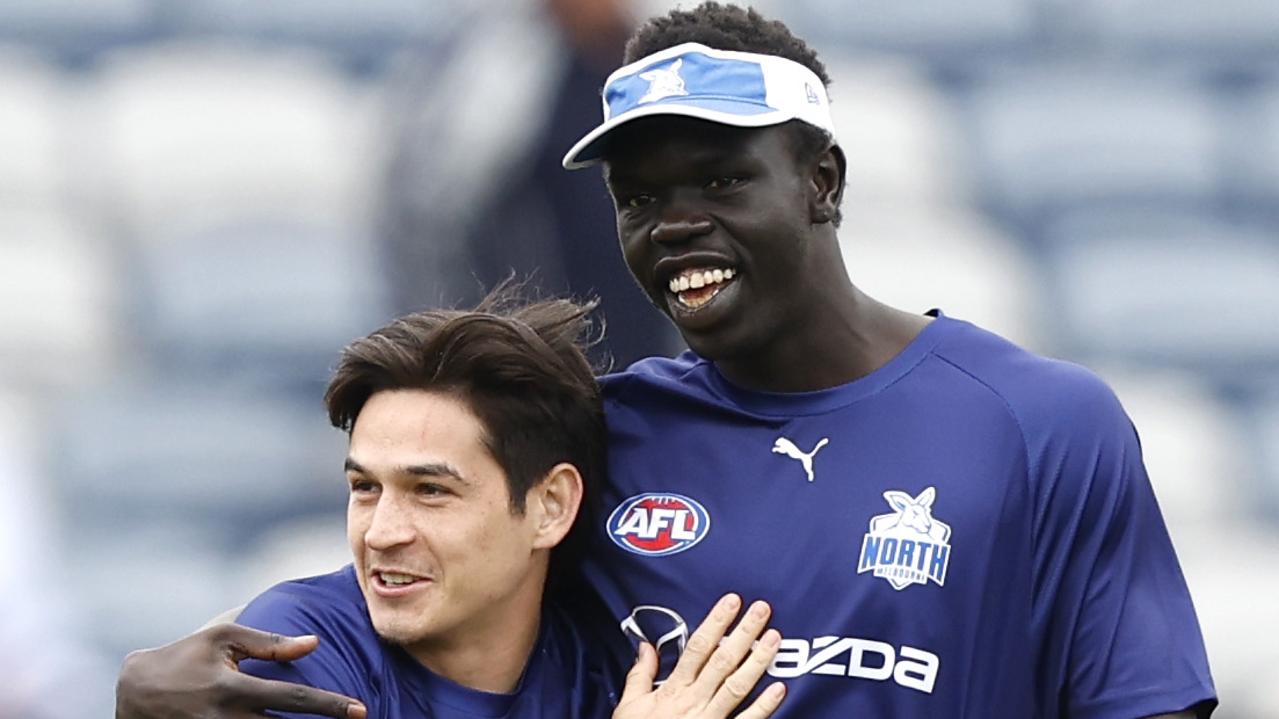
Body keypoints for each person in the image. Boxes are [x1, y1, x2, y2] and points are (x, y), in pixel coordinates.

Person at [115, 3, 1217, 717]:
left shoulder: (1043, 423)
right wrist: (164, 683)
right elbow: (394, 585)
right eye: (639, 199)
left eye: (719, 181)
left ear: (821, 182)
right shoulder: (603, 434)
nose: (672, 223)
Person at [114, 291, 786, 719]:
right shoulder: (301, 647)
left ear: (550, 506)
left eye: (430, 491)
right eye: (364, 487)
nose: (381, 533)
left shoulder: (613, 659)